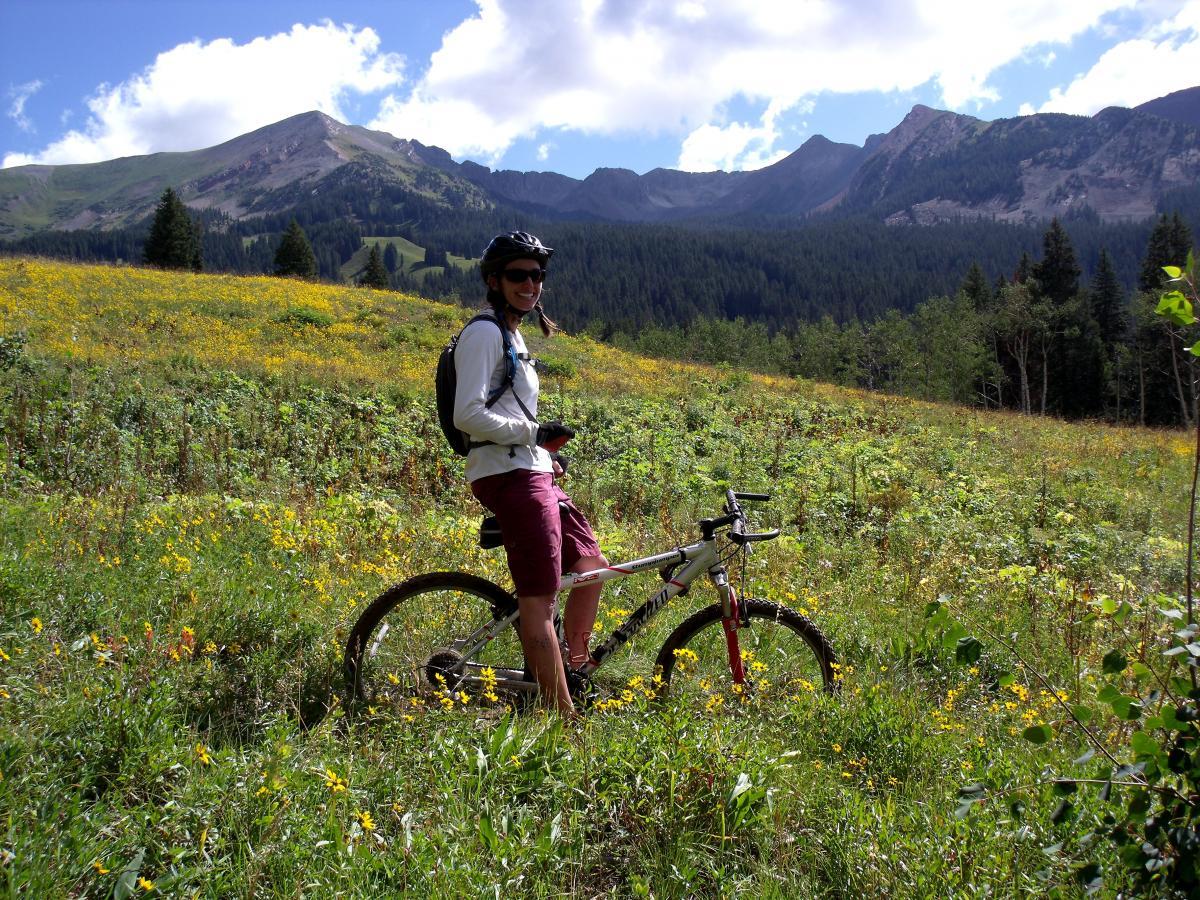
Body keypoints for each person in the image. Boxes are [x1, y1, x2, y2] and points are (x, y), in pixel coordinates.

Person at [452, 231, 607, 715]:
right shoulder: (483, 333)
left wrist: (544, 454)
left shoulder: (513, 332)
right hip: (508, 476)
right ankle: (563, 721)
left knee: (590, 570)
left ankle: (572, 672)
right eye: (519, 275)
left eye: (538, 275)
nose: (531, 283)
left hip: (530, 470)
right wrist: (533, 435)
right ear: (494, 280)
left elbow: (513, 416)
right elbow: (467, 414)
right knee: (539, 602)